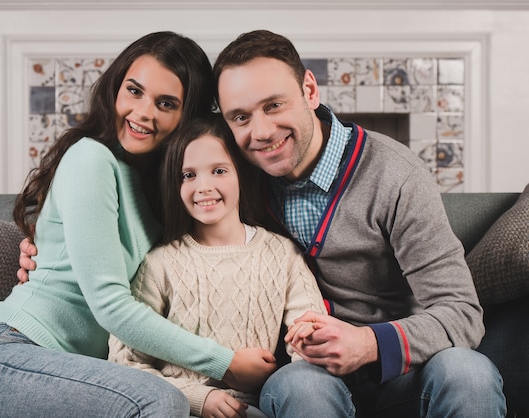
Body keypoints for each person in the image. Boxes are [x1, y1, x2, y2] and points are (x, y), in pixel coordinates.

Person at [0, 31, 276, 418]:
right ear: (115, 88)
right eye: (134, 91)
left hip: (86, 376)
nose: (143, 112)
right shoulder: (91, 158)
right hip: (5, 359)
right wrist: (226, 362)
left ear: (187, 118)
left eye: (166, 103)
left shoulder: (168, 193)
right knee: (159, 400)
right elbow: (109, 305)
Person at [211, 29, 506, 417]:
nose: (261, 132)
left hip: (402, 373)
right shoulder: (233, 179)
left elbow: (461, 312)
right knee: (301, 387)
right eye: (241, 117)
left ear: (310, 90)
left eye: (274, 105)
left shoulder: (396, 176)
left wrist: (368, 343)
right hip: (307, 378)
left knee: (469, 373)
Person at [107, 113, 327, 418]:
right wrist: (198, 397)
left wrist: (307, 336)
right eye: (189, 175)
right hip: (180, 408)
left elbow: (310, 329)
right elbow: (124, 362)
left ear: (241, 174)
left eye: (219, 170)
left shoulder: (280, 254)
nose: (203, 186)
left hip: (254, 408)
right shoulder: (160, 264)